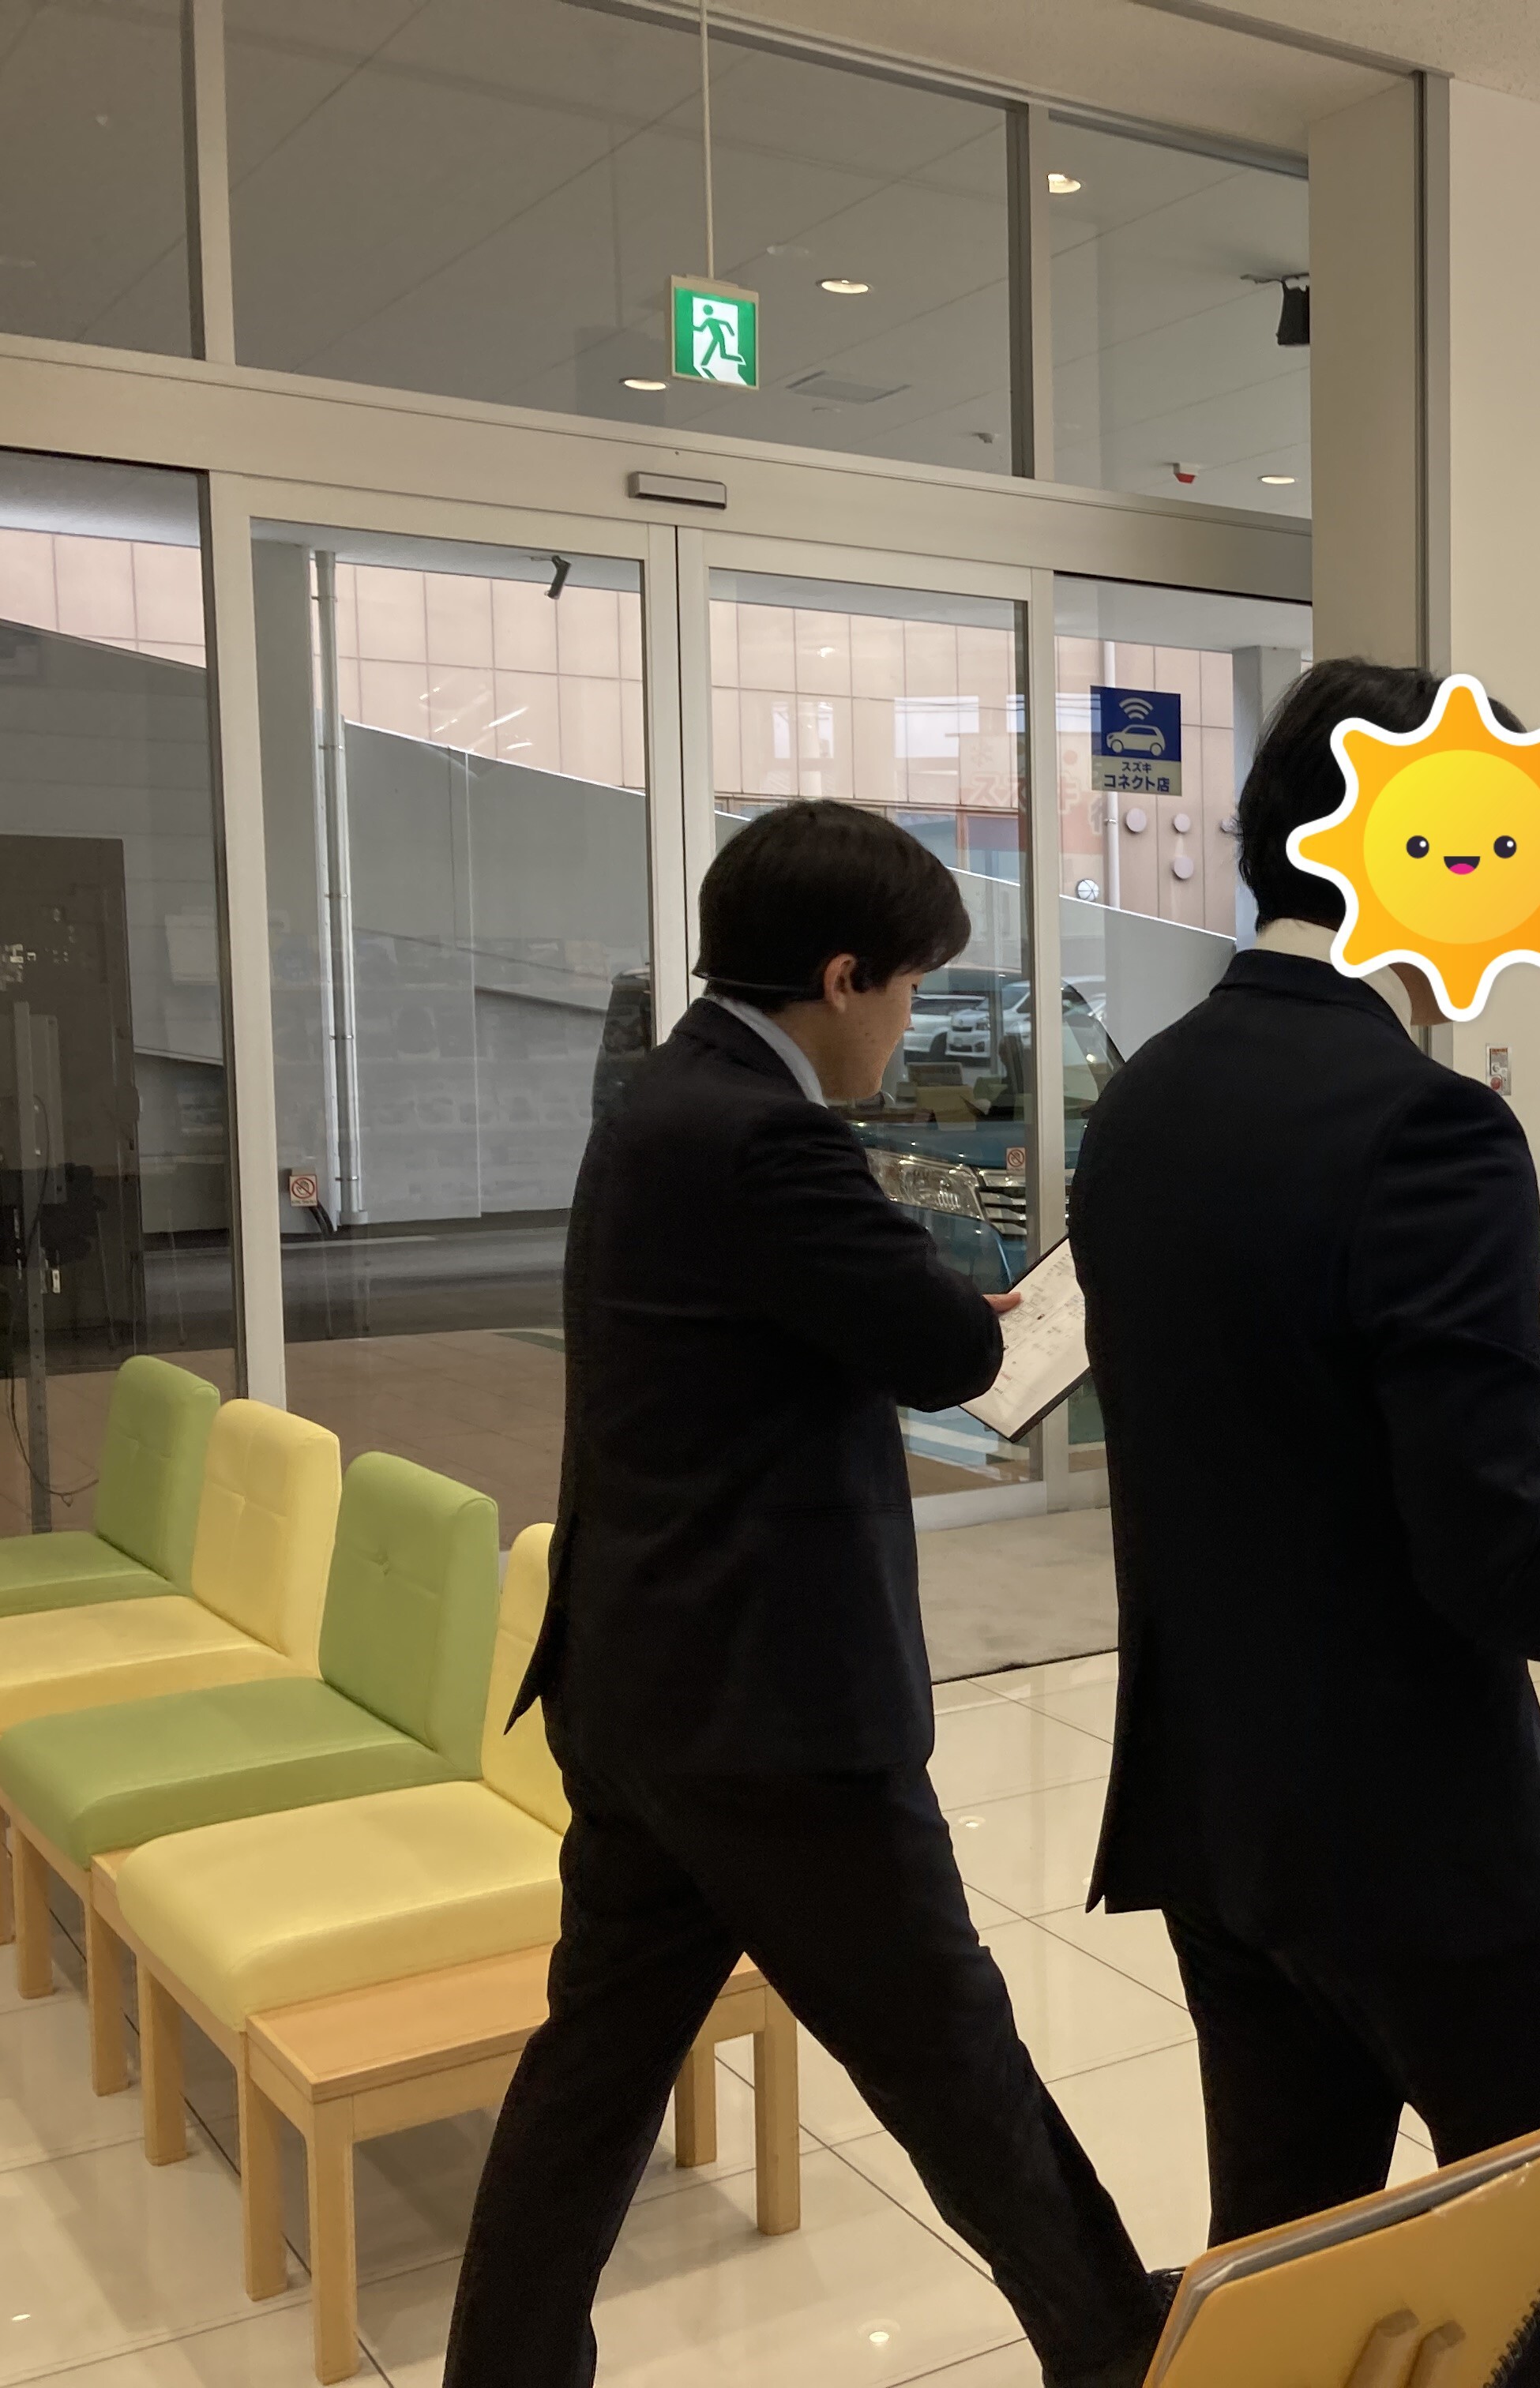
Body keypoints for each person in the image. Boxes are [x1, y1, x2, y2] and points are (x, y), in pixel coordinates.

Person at [1070, 660, 1540, 2386]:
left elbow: (1269, 1441)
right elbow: (1482, 1557)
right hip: (1409, 1830)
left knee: (1291, 2273)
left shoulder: (1147, 1098)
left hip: (1215, 1807)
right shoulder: (1428, 1125)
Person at [448, 802, 1163, 2388]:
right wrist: (955, 1306)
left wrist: (908, 1298)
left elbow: (806, 1326)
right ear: (842, 977)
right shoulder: (767, 1138)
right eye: (908, 989)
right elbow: (955, 1354)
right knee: (950, 2053)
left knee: (596, 2071)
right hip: (769, 1719)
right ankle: (1117, 2343)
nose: (905, 1028)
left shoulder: (663, 1099)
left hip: (640, 1684)